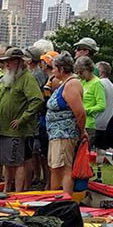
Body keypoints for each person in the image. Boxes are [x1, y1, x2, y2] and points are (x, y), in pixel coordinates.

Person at [0, 47, 45, 193]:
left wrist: (22, 119)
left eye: (9, 62)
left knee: (18, 163)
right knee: (7, 162)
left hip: (18, 130)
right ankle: (6, 189)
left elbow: (37, 100)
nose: (6, 65)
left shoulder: (27, 78)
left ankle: (17, 193)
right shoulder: (10, 77)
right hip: (5, 129)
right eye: (5, 62)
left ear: (18, 62)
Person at [44, 53, 87, 197]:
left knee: (64, 168)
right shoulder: (64, 83)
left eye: (54, 68)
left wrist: (82, 132)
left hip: (65, 134)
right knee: (55, 167)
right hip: (56, 134)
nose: (52, 71)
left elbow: (80, 113)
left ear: (62, 69)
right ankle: (54, 196)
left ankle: (65, 199)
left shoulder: (71, 85)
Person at [75, 56, 107, 178]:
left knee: (83, 157)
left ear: (89, 69)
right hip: (76, 122)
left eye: (81, 72)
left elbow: (101, 105)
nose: (80, 75)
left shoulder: (97, 83)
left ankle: (84, 180)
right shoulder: (81, 81)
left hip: (88, 124)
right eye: (78, 72)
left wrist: (85, 110)